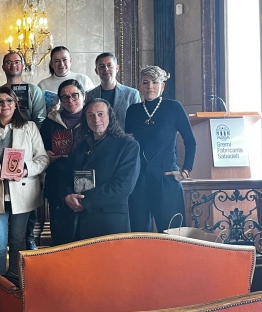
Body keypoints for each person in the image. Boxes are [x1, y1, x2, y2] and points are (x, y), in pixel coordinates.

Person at [0, 86, 49, 281]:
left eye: (9, 101)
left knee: (18, 240)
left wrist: (25, 170)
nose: (5, 105)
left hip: (22, 193)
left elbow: (42, 158)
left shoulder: (29, 127)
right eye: (0, 101)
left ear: (15, 104)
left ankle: (16, 283)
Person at [126, 66, 196, 233]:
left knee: (172, 233)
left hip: (166, 177)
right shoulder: (133, 110)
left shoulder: (174, 107)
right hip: (139, 179)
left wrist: (185, 171)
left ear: (162, 86)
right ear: (139, 86)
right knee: (140, 233)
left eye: (155, 82)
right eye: (146, 82)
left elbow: (190, 140)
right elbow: (127, 145)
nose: (150, 86)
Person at [64, 98, 141, 241]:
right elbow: (67, 175)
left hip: (111, 221)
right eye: (91, 115)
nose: (96, 119)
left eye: (100, 114)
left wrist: (85, 201)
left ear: (110, 117)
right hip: (81, 220)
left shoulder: (127, 145)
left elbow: (123, 186)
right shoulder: (80, 145)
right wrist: (68, 196)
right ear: (85, 119)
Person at [2, 50, 47, 249]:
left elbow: (40, 119)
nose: (13, 65)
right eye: (9, 62)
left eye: (17, 62)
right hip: (4, 149)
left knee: (27, 194)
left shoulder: (34, 90)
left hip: (27, 145)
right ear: (3, 67)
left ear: (23, 65)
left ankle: (28, 236)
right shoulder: (0, 91)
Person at [39, 79, 87, 246]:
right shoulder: (50, 122)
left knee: (85, 235)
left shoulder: (93, 120)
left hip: (87, 184)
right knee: (60, 235)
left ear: (83, 96)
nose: (70, 100)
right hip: (58, 183)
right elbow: (38, 150)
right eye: (65, 97)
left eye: (74, 95)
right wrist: (46, 155)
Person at [86, 53, 141, 130]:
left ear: (117, 68)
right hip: (98, 140)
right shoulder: (89, 95)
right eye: (101, 66)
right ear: (96, 71)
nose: (106, 69)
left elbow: (137, 122)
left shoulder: (132, 94)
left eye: (109, 65)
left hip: (124, 140)